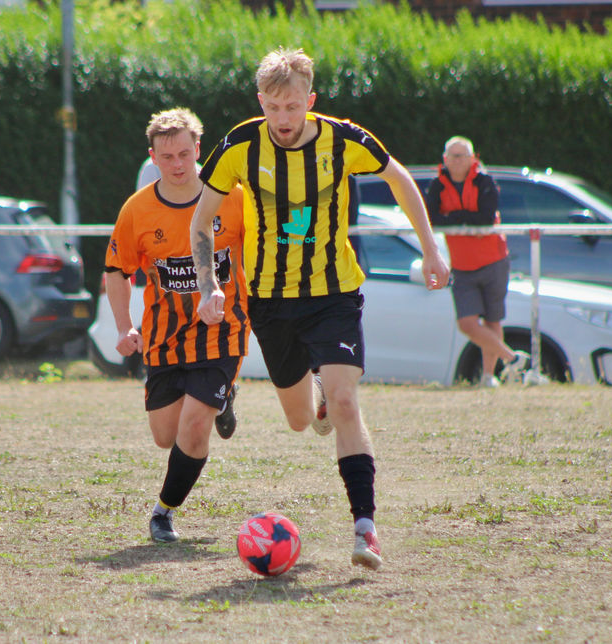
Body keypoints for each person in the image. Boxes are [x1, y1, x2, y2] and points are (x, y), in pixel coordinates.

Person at [190, 47, 450, 571]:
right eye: (273, 108)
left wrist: (431, 247)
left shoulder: (343, 139)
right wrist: (207, 286)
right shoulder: (239, 145)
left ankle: (365, 530)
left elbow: (400, 180)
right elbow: (201, 223)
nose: (283, 120)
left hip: (333, 294)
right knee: (299, 419)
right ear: (260, 102)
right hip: (269, 301)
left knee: (347, 401)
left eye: (293, 107)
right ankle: (317, 396)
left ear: (309, 100)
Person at [105, 107, 249, 543]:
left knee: (194, 425)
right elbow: (115, 270)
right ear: (153, 157)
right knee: (166, 436)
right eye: (167, 157)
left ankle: (163, 512)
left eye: (185, 154)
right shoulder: (138, 209)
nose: (178, 165)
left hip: (223, 331)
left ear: (198, 149)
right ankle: (224, 402)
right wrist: (125, 327)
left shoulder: (234, 197)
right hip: (165, 338)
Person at [424, 136, 529, 388]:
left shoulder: (485, 181)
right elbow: (433, 218)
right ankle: (512, 358)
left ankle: (488, 376)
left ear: (472, 159)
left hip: (494, 260)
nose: (456, 161)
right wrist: (463, 219)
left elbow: (484, 218)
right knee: (467, 323)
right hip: (461, 265)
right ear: (444, 159)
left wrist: (456, 217)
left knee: (493, 320)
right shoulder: (438, 185)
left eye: (461, 156)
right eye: (452, 156)